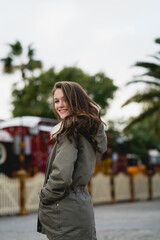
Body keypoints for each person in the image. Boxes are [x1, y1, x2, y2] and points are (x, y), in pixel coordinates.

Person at [37, 81, 107, 240]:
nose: (60, 105)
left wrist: (44, 196)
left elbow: (61, 175)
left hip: (65, 212)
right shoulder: (87, 130)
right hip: (80, 208)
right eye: (56, 101)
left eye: (65, 99)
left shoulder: (70, 132)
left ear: (76, 100)